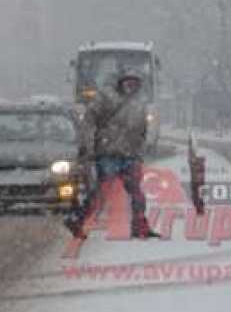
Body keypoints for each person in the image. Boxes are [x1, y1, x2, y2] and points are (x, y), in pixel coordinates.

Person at [65, 68, 160, 240]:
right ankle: (77, 219)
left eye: (135, 84)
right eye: (128, 83)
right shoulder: (106, 98)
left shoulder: (138, 104)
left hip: (129, 155)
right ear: (121, 83)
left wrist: (140, 150)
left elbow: (141, 130)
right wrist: (89, 147)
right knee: (101, 192)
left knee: (136, 192)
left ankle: (139, 225)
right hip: (108, 153)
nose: (131, 87)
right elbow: (89, 121)